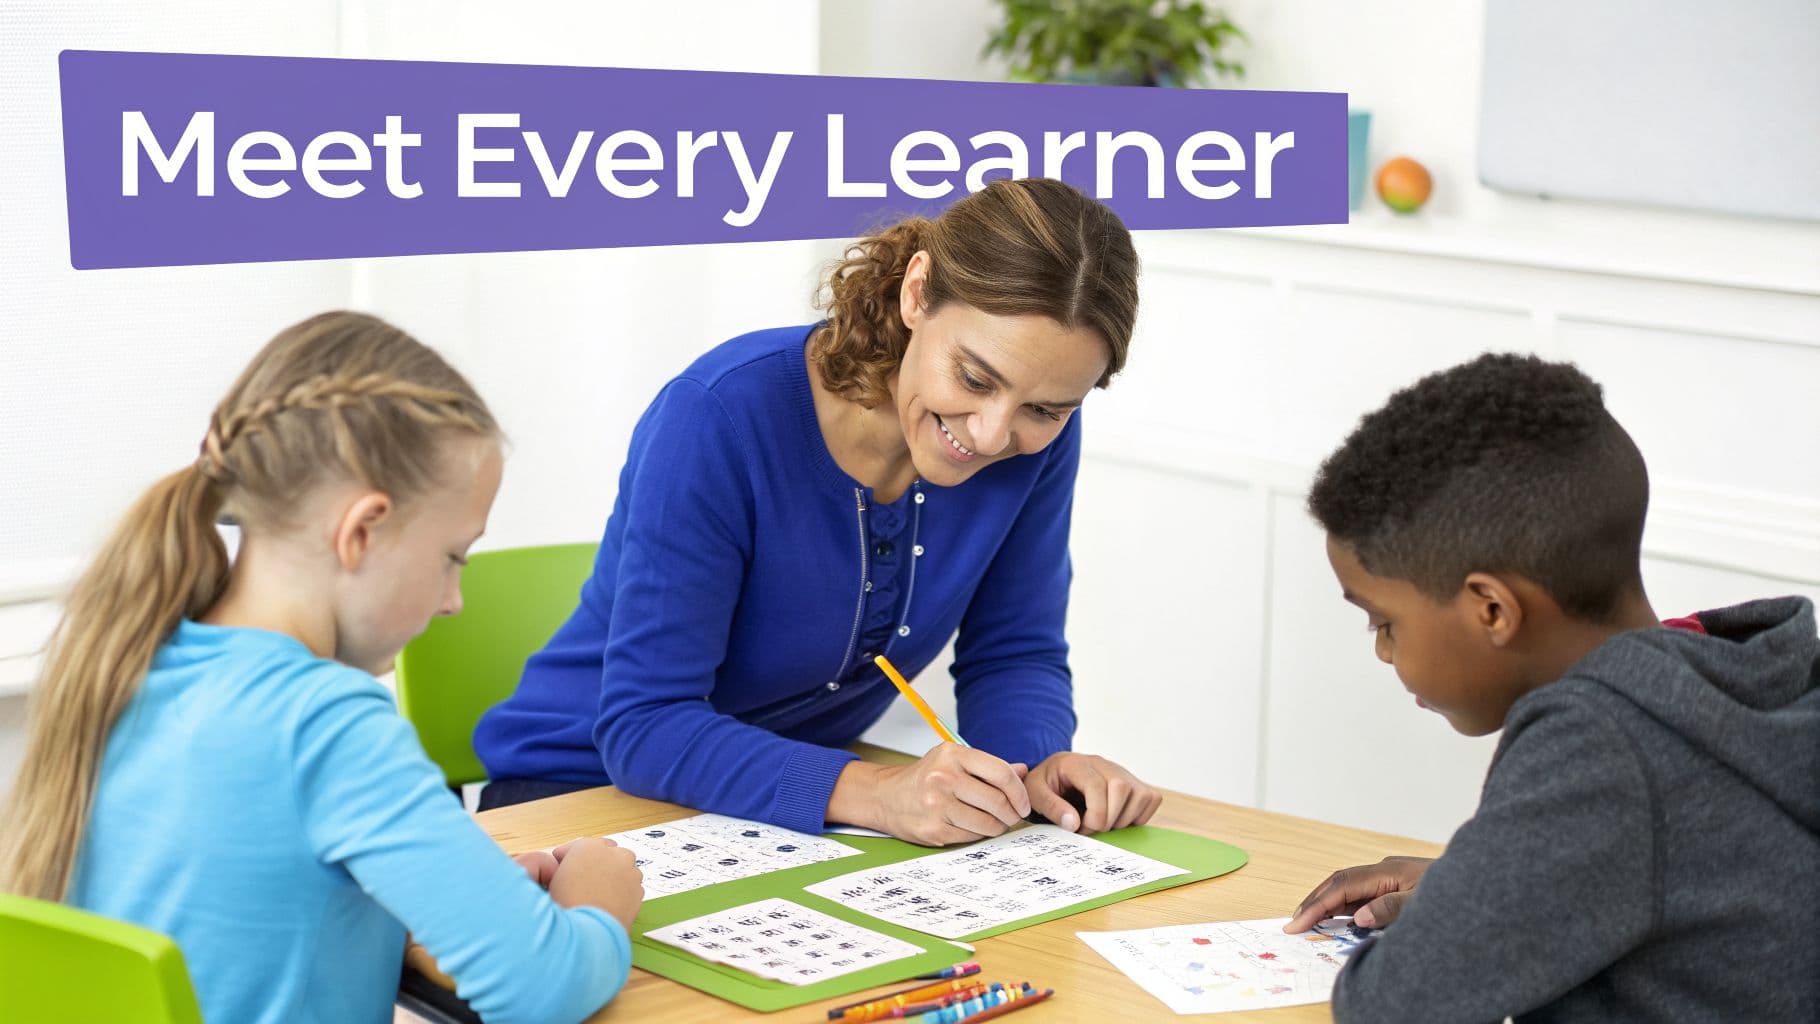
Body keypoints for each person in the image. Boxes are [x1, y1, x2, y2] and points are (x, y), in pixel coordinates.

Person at [475, 178, 1163, 845]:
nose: (991, 434)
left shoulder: (1032, 444)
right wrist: (880, 793)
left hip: (791, 817)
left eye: (1044, 409)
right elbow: (645, 725)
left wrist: (1029, 771)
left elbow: (1014, 651)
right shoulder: (719, 416)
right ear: (917, 293)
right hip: (578, 796)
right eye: (974, 378)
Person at [0, 312, 644, 1024]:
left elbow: (249, 915)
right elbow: (543, 989)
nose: (454, 601)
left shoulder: (132, 664)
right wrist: (597, 901)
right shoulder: (327, 722)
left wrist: (454, 899)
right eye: (452, 557)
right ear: (361, 530)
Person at [1284, 352, 1820, 1021]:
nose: (1383, 651)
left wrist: (1461, 905)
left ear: (1492, 610)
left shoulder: (1603, 745)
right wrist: (1476, 884)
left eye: (1384, 622)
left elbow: (1390, 1006)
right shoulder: (1745, 682)